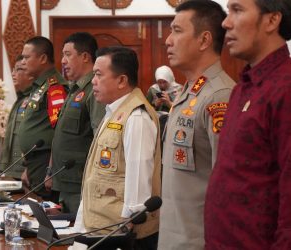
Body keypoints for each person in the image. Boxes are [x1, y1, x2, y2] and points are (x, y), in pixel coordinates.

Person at [205, 0, 291, 249]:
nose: (225, 22)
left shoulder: (285, 88)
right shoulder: (244, 86)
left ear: (272, 20)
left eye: (237, 10)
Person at [158, 1, 236, 249]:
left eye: (177, 31)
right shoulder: (189, 91)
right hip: (173, 236)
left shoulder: (220, 96)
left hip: (198, 241)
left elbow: (228, 190)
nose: (168, 40)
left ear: (204, 40)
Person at [73, 46, 161, 250]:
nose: (93, 81)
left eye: (98, 75)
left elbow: (139, 182)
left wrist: (127, 231)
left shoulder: (136, 116)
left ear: (121, 80)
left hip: (120, 237)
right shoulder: (113, 111)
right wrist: (80, 228)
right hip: (100, 231)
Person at [44, 32, 105, 213]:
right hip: (65, 181)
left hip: (81, 183)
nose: (62, 61)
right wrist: (50, 171)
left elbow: (100, 138)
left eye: (68, 54)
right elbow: (60, 135)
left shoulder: (93, 90)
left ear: (85, 57)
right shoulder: (74, 90)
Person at [18, 36, 68, 199]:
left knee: (46, 210)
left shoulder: (54, 88)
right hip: (34, 162)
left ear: (43, 58)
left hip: (45, 161)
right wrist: (27, 166)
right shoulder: (39, 86)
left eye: (26, 57)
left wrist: (50, 170)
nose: (22, 62)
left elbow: (59, 132)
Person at [0, 56, 33, 179]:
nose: (13, 74)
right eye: (13, 70)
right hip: (12, 169)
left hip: (24, 171)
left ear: (31, 73)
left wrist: (29, 168)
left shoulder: (36, 98)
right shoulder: (21, 99)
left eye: (19, 69)